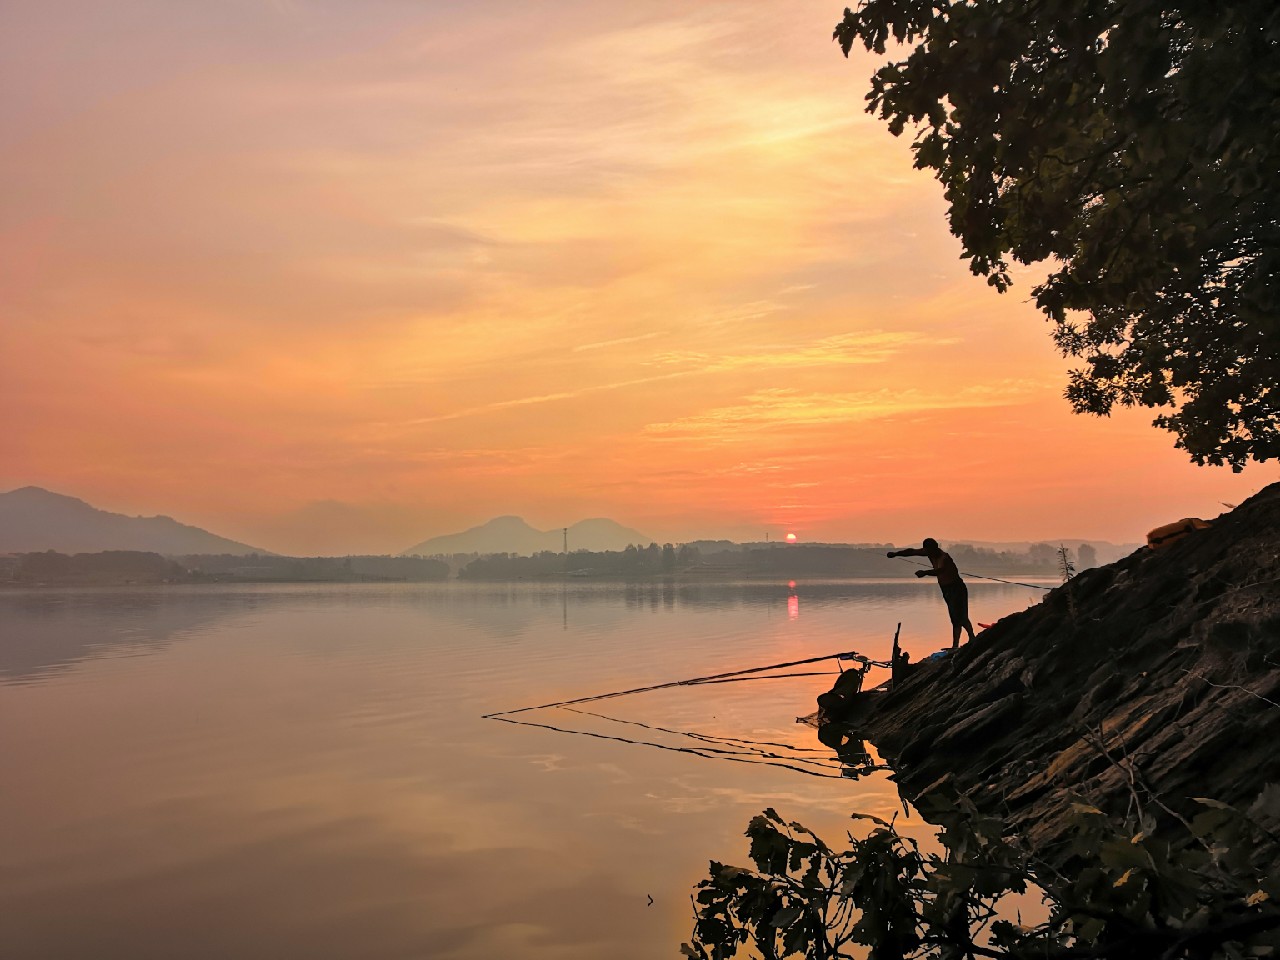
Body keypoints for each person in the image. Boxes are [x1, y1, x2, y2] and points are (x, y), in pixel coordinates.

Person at [887, 538, 976, 649]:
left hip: (956, 588)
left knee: (959, 617)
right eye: (927, 551)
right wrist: (895, 554)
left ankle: (960, 643)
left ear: (935, 547)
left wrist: (925, 572)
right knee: (956, 616)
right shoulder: (928, 552)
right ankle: (968, 639)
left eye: (930, 551)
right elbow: (911, 551)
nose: (929, 553)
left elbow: (940, 571)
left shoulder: (944, 557)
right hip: (946, 589)